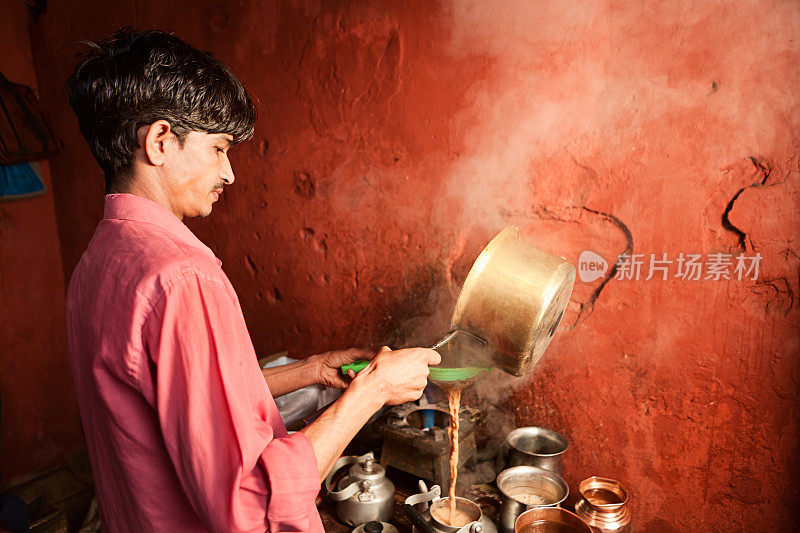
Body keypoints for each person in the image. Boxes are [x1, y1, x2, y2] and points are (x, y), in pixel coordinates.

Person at [64, 29, 440, 533]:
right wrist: (372, 391)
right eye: (219, 148)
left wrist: (311, 370)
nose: (230, 174)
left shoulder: (100, 261)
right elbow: (247, 507)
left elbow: (186, 404)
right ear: (158, 142)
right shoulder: (181, 278)